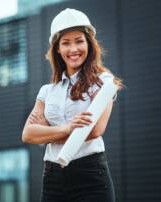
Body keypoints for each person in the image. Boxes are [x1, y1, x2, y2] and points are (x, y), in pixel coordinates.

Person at [22, 8, 123, 202]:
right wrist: (69, 128)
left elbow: (94, 130)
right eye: (66, 43)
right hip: (53, 179)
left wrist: (48, 133)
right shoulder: (47, 91)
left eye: (79, 41)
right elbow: (28, 134)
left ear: (89, 44)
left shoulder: (103, 82)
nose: (73, 49)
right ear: (58, 49)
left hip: (90, 176)